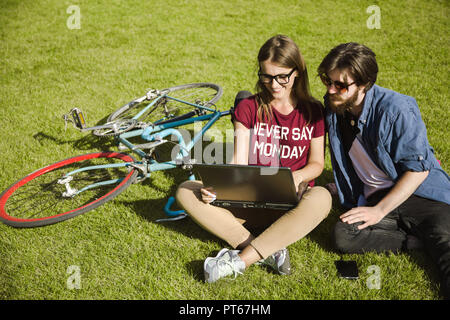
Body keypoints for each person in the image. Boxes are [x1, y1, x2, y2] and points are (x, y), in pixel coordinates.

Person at [176, 35, 332, 283]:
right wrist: (219, 188)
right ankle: (268, 251)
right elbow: (239, 160)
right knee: (186, 190)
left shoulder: (313, 111)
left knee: (322, 197)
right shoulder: (248, 107)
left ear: (297, 73)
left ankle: (240, 260)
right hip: (250, 200)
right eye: (266, 76)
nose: (274, 84)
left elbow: (317, 164)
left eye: (282, 77)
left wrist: (297, 176)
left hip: (292, 205)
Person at [318, 42, 450, 299]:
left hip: (422, 196)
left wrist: (379, 211)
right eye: (327, 80)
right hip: (377, 197)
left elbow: (418, 170)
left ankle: (425, 238)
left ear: (364, 84)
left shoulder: (396, 109)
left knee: (446, 250)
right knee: (343, 235)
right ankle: (416, 241)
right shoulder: (335, 105)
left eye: (341, 85)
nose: (331, 89)